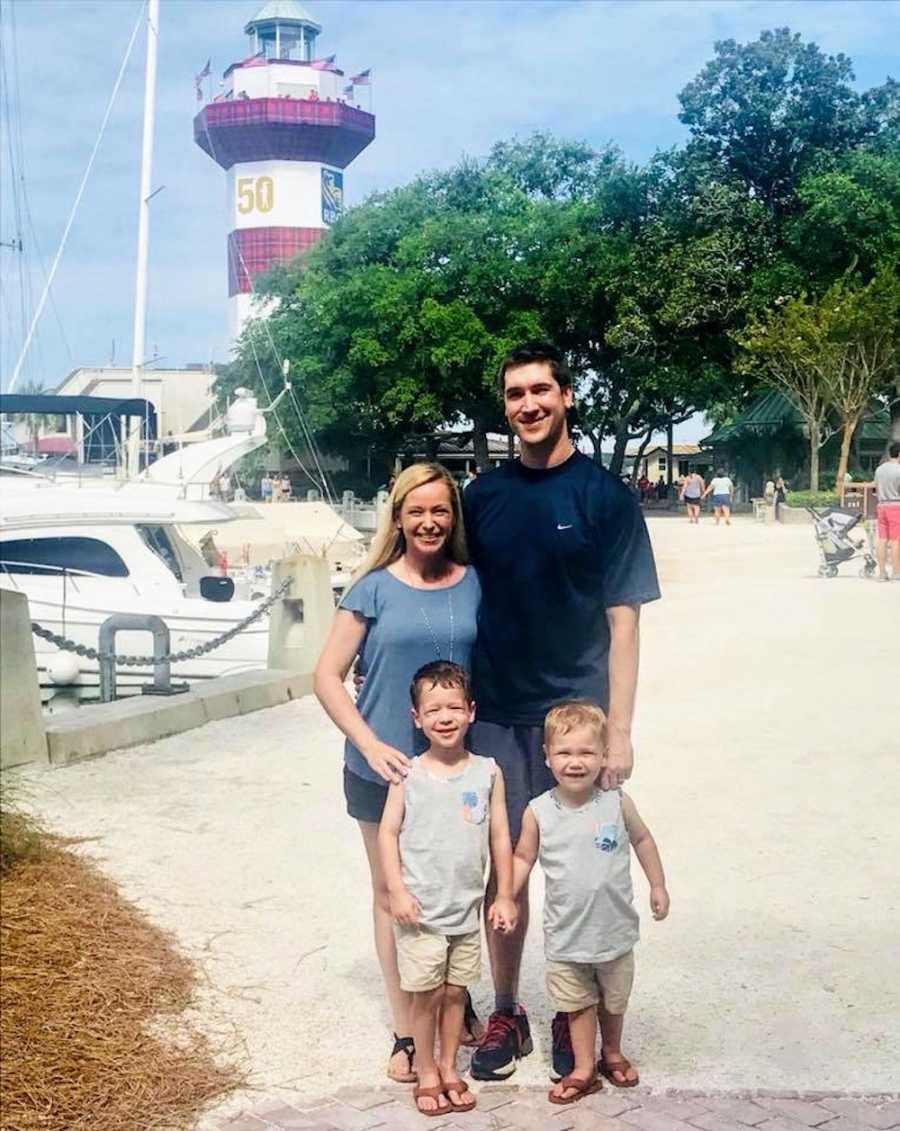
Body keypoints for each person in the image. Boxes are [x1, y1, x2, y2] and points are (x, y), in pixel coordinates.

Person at [462, 341, 660, 1081]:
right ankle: (508, 1005)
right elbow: (442, 578)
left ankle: (576, 1012)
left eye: (541, 389)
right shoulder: (483, 497)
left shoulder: (605, 496)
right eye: (515, 393)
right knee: (502, 866)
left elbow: (625, 621)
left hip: (576, 719)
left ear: (567, 395)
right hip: (498, 711)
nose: (528, 404)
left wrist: (620, 729)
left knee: (583, 866)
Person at [313, 464, 482, 1083]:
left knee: (459, 885)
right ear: (398, 517)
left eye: (440, 511)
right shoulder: (372, 588)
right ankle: (407, 1032)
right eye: (416, 512)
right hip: (380, 769)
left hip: (453, 769)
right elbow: (326, 676)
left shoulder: (475, 585)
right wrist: (370, 741)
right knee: (393, 896)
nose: (429, 523)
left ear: (453, 518)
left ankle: (455, 1004)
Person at [512, 700, 669, 1103]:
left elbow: (643, 840)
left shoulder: (616, 802)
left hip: (613, 929)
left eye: (586, 752)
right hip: (567, 934)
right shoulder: (539, 811)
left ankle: (612, 1052)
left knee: (614, 999)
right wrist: (505, 897)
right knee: (578, 1003)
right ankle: (584, 1067)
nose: (576, 762)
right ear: (547, 757)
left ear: (603, 756)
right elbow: (524, 857)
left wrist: (657, 885)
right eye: (564, 752)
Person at [379, 661, 517, 1116]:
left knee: (456, 992)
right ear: (416, 717)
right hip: (421, 913)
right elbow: (387, 834)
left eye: (454, 707)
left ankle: (448, 1063)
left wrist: (503, 893)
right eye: (433, 708)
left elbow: (500, 834)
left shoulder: (487, 772)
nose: (445, 717)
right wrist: (395, 890)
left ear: (471, 711)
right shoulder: (407, 774)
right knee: (427, 994)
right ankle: (427, 1073)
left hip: (465, 910)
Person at [874, 442, 900, 581]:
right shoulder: (898, 470)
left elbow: (876, 487)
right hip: (896, 506)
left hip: (881, 505)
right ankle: (897, 572)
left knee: (882, 540)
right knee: (896, 541)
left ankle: (882, 573)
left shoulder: (879, 469)